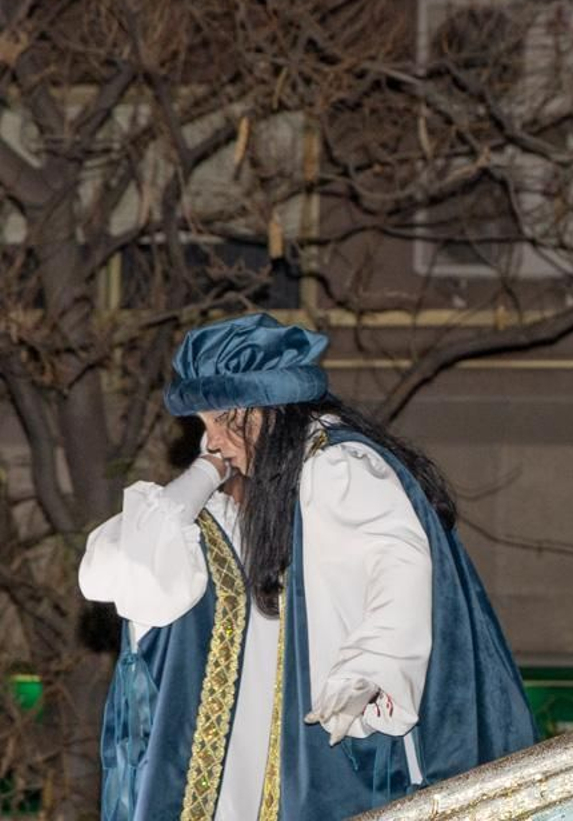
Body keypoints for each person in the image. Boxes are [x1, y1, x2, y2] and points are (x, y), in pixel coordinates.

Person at [81, 313, 536, 819]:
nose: (210, 441)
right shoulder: (231, 516)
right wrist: (205, 472)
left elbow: (396, 564)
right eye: (203, 427)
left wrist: (367, 670)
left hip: (331, 757)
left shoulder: (337, 466)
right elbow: (113, 569)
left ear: (265, 413)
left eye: (221, 422)